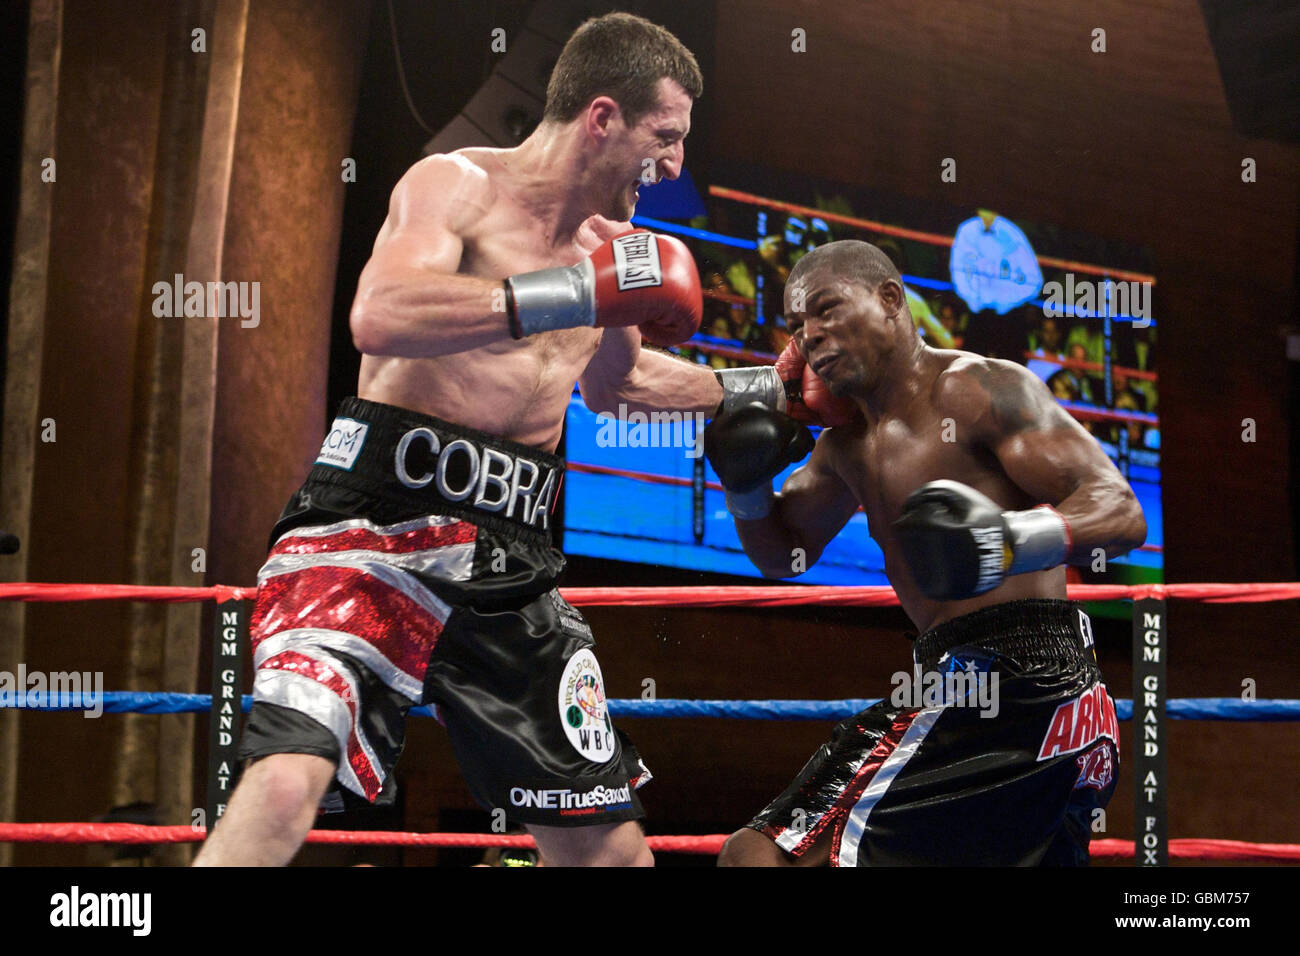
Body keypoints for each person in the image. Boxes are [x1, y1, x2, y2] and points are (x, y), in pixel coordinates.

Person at [195, 12, 723, 868]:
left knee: (613, 854)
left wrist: (768, 390)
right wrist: (556, 293)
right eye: (664, 135)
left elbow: (620, 384)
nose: (675, 164)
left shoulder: (619, 254)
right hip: (371, 534)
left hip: (511, 564)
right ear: (601, 118)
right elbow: (380, 314)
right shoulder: (457, 186)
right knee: (289, 779)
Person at [706, 240, 1146, 866]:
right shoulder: (844, 447)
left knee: (757, 857)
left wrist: (1008, 540)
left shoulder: (978, 388)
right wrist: (745, 487)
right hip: (1030, 703)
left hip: (1013, 680)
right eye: (799, 327)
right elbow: (782, 556)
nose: (812, 337)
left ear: (890, 300)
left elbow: (1120, 510)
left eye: (827, 310)